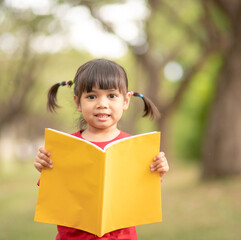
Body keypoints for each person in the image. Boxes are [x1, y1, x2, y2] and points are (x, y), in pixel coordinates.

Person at [34, 58, 169, 240]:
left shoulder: (135, 148)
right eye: (91, 96)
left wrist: (158, 170)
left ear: (126, 101)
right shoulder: (65, 146)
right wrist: (45, 167)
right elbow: (55, 195)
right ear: (77, 102)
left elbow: (141, 193)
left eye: (111, 95)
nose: (102, 104)